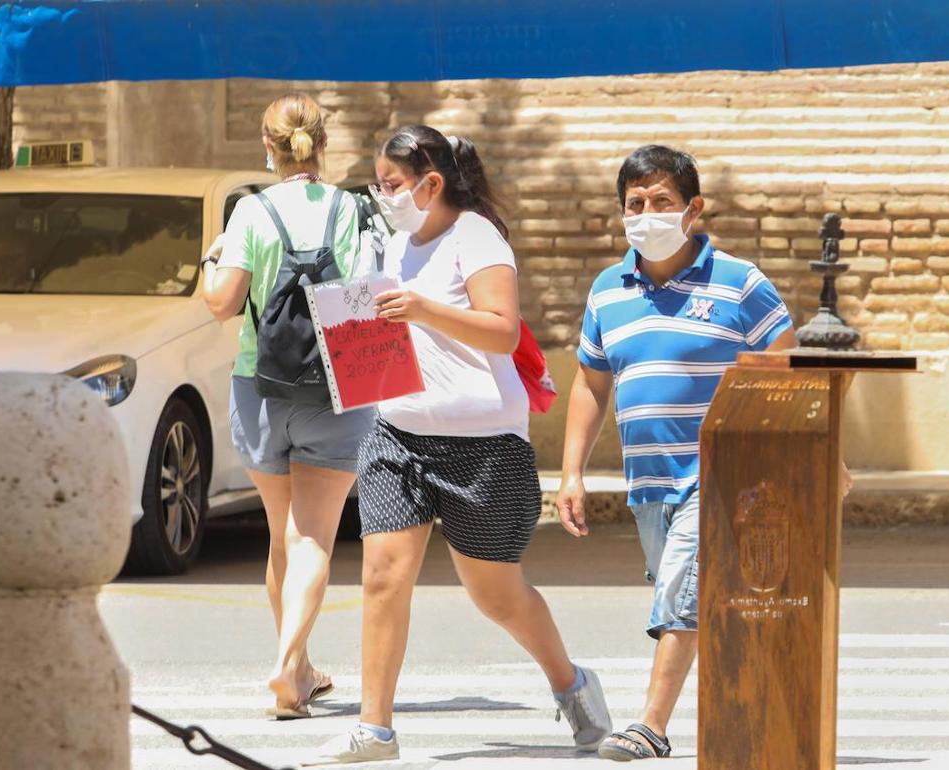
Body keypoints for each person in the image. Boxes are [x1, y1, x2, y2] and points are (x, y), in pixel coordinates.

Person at [319, 124, 611, 763]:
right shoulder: (398, 244)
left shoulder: (475, 236)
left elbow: (502, 331)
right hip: (397, 436)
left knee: (496, 596)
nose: (382, 196)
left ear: (431, 184)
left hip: (483, 446)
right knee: (382, 575)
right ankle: (375, 729)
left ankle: (571, 682)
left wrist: (422, 309)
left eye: (391, 184)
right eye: (377, 184)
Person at [558, 145, 817, 760]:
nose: (646, 215)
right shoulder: (607, 291)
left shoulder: (740, 283)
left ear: (693, 209)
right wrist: (571, 472)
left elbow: (791, 372)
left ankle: (651, 725)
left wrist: (821, 455)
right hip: (649, 483)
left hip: (727, 473)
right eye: (635, 204)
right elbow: (591, 384)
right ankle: (767, 716)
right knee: (704, 602)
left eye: (661, 202)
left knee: (681, 592)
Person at [201, 93, 376, 719]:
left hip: (259, 386)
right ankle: (288, 664)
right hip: (334, 387)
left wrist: (212, 257)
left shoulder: (250, 211)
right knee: (313, 537)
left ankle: (295, 672)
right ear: (323, 144)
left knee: (283, 534)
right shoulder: (352, 209)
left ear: (266, 147)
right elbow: (367, 298)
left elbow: (221, 303)